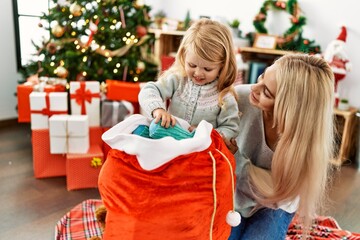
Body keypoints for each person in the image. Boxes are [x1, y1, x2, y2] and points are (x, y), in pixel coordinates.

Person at [226, 54, 335, 239]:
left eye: (267, 93)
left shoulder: (306, 142)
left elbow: (280, 194)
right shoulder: (239, 99)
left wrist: (237, 160)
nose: (255, 87)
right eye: (262, 76)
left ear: (290, 111)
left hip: (274, 204)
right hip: (233, 194)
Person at [138, 18, 240, 141]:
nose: (198, 73)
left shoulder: (224, 95)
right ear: (184, 56)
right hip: (171, 143)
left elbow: (231, 129)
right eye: (192, 65)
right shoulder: (178, 79)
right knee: (137, 128)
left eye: (207, 69)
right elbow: (149, 90)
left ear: (222, 65)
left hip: (201, 152)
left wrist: (207, 133)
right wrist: (157, 109)